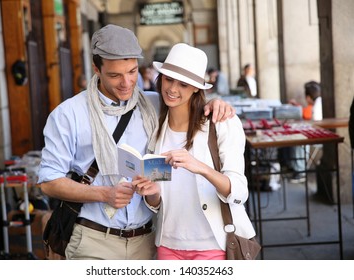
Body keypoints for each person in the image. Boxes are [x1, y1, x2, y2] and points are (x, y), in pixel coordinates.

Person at [38, 24, 235, 260]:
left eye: (132, 72)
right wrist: (103, 194)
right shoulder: (68, 114)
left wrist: (215, 103)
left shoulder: (153, 104)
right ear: (96, 69)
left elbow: (187, 98)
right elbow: (48, 182)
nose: (127, 83)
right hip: (93, 239)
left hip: (147, 240)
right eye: (115, 75)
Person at [133, 43, 256, 260]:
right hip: (168, 244)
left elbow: (239, 191)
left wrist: (199, 166)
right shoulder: (155, 126)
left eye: (183, 84)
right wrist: (151, 193)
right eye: (168, 79)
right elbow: (157, 203)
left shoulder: (221, 122)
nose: (172, 89)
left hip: (213, 244)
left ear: (197, 87)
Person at [283, 81, 323, 183]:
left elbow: (310, 117)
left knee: (297, 140)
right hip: (316, 131)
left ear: (308, 97)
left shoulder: (317, 105)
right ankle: (295, 166)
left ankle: (300, 171)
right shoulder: (318, 102)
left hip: (318, 135)